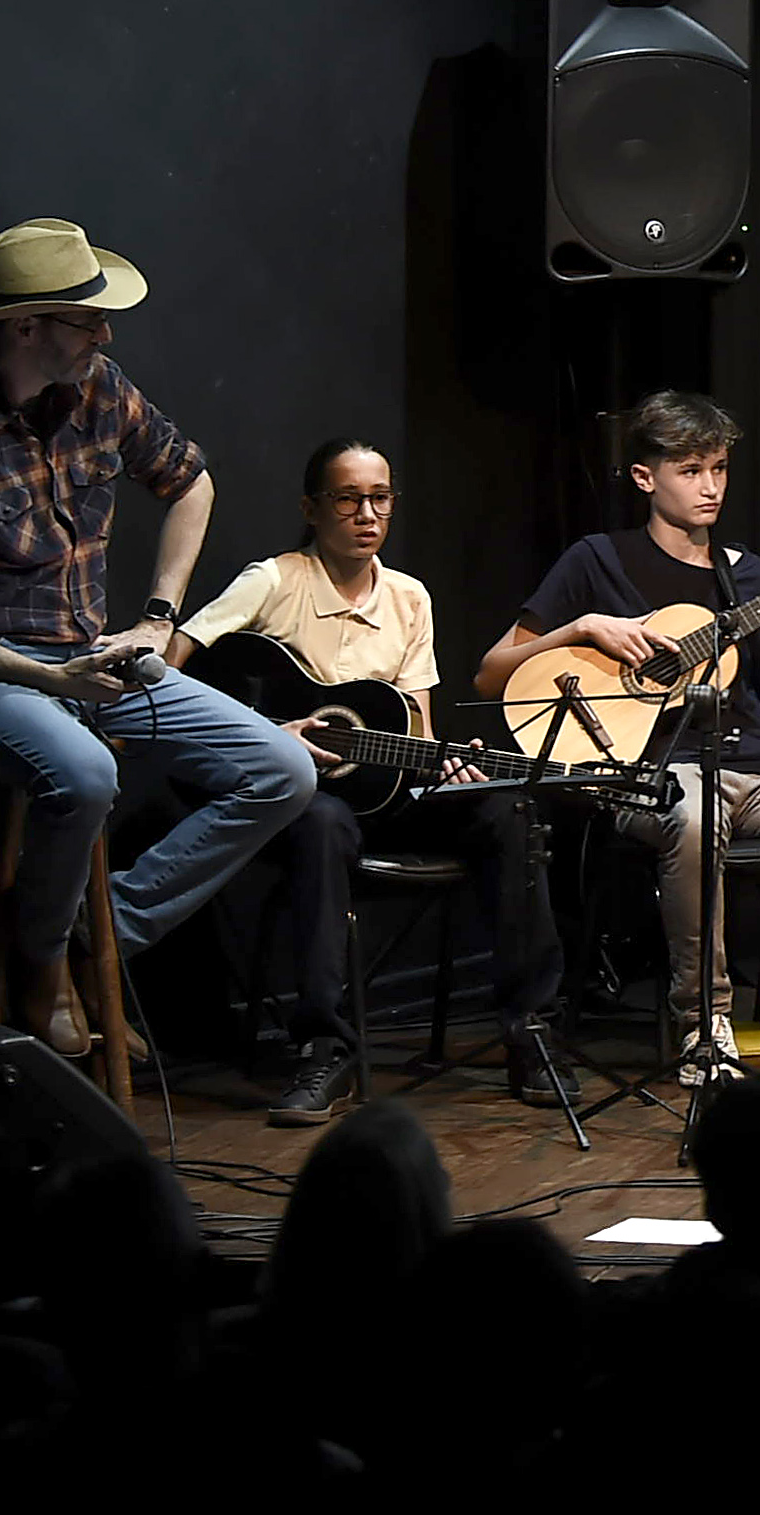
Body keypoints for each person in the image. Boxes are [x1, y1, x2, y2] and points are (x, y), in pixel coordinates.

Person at [0, 217, 315, 1057]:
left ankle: (91, 934)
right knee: (85, 773)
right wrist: (50, 681)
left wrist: (156, 617)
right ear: (24, 325)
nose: (104, 336)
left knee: (281, 770)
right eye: (88, 320)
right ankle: (39, 964)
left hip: (95, 656)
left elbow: (192, 482)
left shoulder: (100, 388)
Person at [477, 390, 760, 1082]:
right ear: (644, 477)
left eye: (718, 468)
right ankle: (704, 1023)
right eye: (690, 470)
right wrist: (582, 628)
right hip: (651, 774)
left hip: (756, 765)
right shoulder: (597, 560)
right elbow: (491, 674)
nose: (710, 486)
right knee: (694, 817)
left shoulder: (747, 576)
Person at [173, 437, 568, 1122]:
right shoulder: (274, 580)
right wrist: (268, 735)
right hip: (299, 799)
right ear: (311, 508)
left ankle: (529, 1028)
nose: (367, 514)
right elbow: (179, 656)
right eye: (348, 499)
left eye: (380, 498)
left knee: (509, 809)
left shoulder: (409, 597)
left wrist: (443, 760)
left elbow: (416, 725)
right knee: (322, 821)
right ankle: (325, 1048)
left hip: (386, 791)